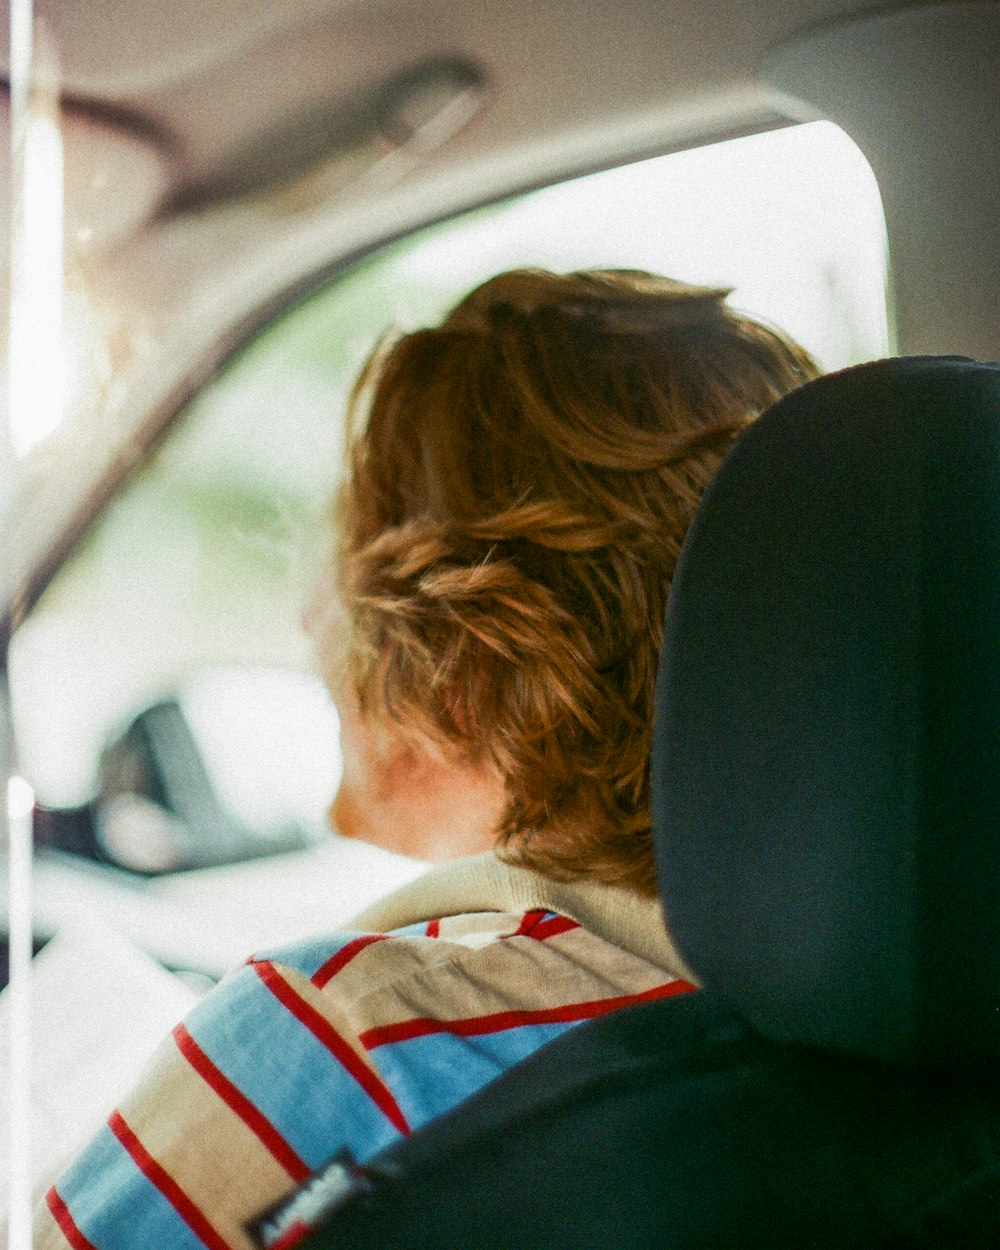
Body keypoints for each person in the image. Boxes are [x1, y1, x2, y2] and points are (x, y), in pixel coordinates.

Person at [35, 269, 818, 1250]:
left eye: (356, 540)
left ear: (467, 647)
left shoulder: (350, 1042)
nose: (317, 614)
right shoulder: (888, 1043)